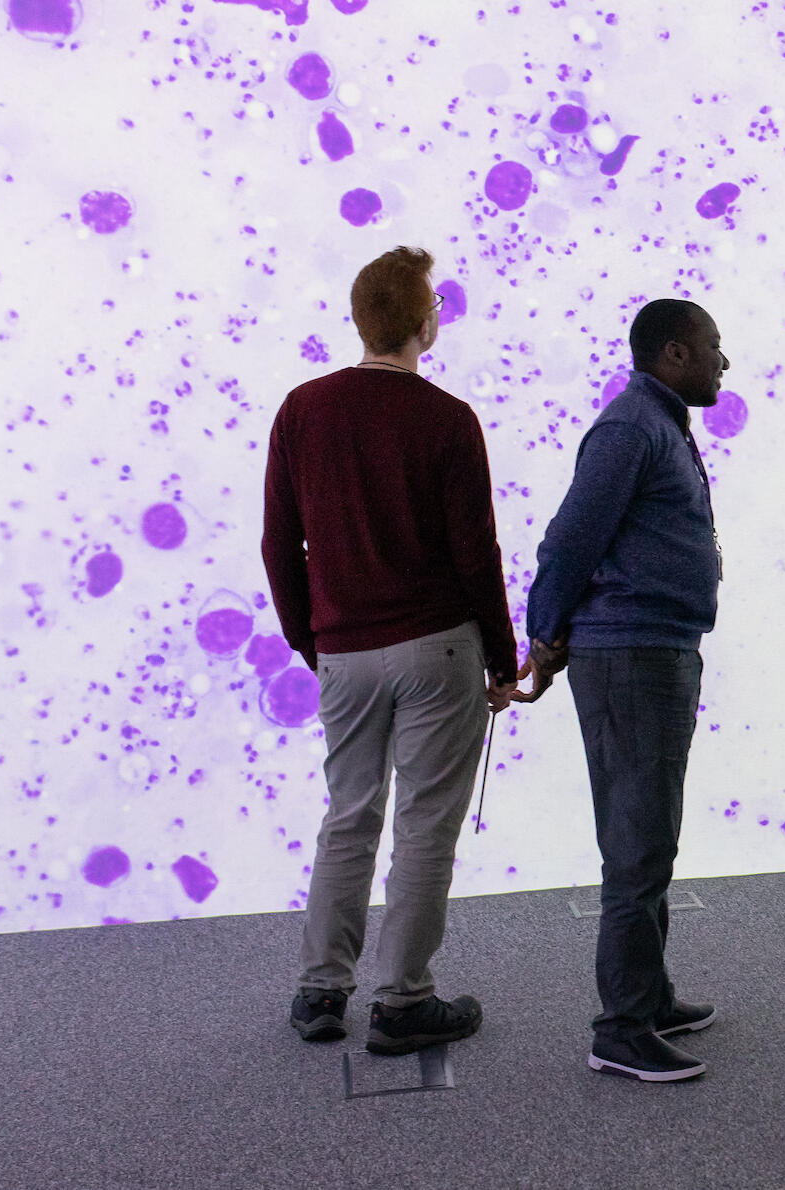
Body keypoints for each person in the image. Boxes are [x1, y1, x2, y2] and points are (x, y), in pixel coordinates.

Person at [264, 245, 517, 1055]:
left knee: (347, 817)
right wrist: (504, 662)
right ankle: (404, 999)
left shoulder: (301, 409)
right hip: (437, 649)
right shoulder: (447, 418)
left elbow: (280, 545)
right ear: (424, 321)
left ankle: (320, 992)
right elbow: (476, 553)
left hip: (344, 651)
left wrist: (315, 640)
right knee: (423, 827)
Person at [514, 299, 728, 1083]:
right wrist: (543, 633)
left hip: (655, 649)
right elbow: (568, 540)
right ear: (673, 354)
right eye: (712, 347)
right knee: (636, 841)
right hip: (631, 655)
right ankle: (621, 1027)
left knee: (651, 833)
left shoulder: (656, 425)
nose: (722, 362)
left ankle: (649, 993)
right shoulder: (631, 429)